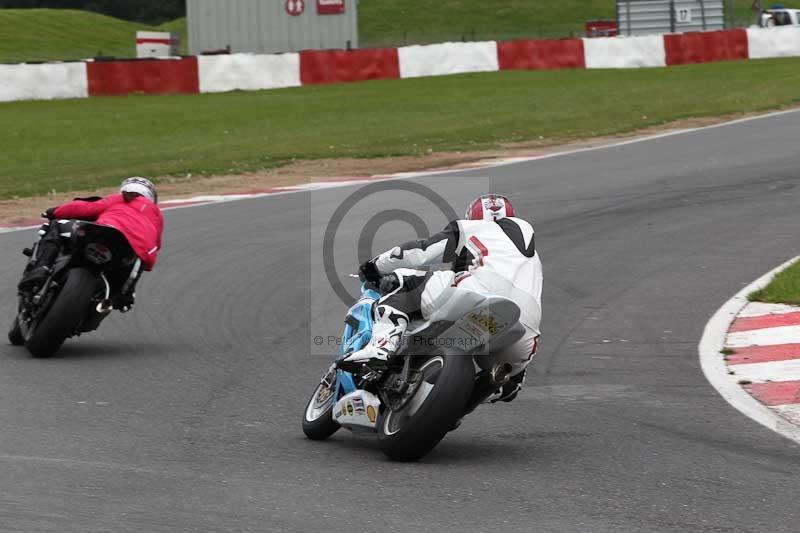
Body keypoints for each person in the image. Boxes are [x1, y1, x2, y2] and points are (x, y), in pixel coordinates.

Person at [341, 194, 543, 403]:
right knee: (507, 380)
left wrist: (374, 266)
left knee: (407, 282)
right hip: (525, 330)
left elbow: (420, 251)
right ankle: (473, 398)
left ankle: (380, 349)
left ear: (472, 216)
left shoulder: (469, 228)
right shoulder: (531, 256)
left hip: (479, 293)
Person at [18, 177, 164, 312]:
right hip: (130, 252)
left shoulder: (123, 198)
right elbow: (154, 247)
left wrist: (54, 212)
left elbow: (85, 208)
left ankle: (41, 267)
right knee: (123, 292)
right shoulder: (157, 215)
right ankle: (117, 298)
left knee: (56, 225)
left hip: (103, 233)